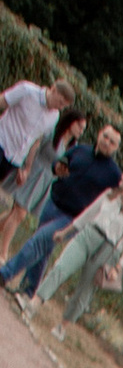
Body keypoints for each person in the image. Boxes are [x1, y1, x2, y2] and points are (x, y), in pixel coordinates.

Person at [1, 116, 121, 294]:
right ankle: (28, 291)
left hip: (72, 217)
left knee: (39, 241)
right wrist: (57, 167)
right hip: (53, 203)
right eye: (105, 136)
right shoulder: (80, 149)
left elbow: (118, 197)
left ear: (115, 148)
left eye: (112, 142)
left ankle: (5, 274)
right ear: (99, 134)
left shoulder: (113, 174)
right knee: (43, 249)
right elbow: (59, 163)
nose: (106, 142)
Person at [30, 167, 123, 331]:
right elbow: (88, 214)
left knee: (84, 291)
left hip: (108, 250)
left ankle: (63, 326)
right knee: (62, 266)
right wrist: (65, 232)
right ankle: (36, 301)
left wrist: (118, 267)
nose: (122, 177)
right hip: (88, 235)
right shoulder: (109, 195)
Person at [0, 82, 74, 264]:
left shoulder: (54, 117)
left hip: (14, 158)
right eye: (60, 101)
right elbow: (3, 101)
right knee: (18, 212)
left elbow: (36, 141)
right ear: (53, 89)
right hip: (2, 140)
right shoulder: (27, 91)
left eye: (64, 105)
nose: (60, 106)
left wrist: (25, 166)